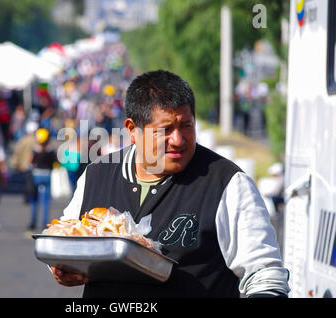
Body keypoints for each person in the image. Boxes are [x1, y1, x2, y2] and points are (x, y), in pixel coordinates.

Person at [50, 70, 290, 298]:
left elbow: (265, 274)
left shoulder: (226, 182)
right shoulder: (96, 175)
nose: (177, 140)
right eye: (165, 130)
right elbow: (65, 240)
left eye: (186, 125)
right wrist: (63, 269)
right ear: (133, 130)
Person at [28, 128, 58, 231]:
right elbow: (56, 163)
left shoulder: (35, 150)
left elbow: (30, 161)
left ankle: (33, 221)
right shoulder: (50, 151)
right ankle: (45, 222)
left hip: (36, 175)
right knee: (45, 201)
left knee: (34, 200)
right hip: (47, 175)